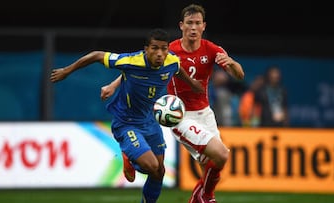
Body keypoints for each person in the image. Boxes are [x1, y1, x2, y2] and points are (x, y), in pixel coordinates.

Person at [101, 4, 244, 203]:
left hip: (205, 112)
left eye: (197, 23)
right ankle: (206, 197)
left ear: (204, 26)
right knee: (220, 154)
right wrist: (114, 84)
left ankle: (199, 197)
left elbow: (239, 75)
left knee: (214, 164)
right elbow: (136, 67)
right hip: (177, 114)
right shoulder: (170, 49)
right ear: (181, 26)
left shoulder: (211, 50)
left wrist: (231, 63)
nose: (193, 28)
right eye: (189, 23)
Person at [50, 28, 203, 203]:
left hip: (150, 121)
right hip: (127, 123)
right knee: (151, 166)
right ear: (146, 49)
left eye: (164, 48)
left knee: (159, 172)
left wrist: (192, 83)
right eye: (155, 48)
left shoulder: (172, 61)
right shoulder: (131, 61)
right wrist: (67, 71)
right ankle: (130, 157)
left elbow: (178, 70)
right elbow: (97, 55)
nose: (160, 54)